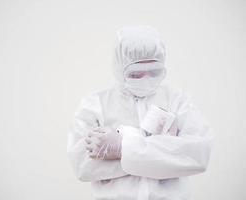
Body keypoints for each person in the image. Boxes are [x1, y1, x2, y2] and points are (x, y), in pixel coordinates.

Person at [67, 25, 213, 200]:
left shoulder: (177, 100)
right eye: (136, 74)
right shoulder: (95, 104)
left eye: (154, 72)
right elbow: (82, 165)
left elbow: (197, 155)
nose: (146, 80)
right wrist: (162, 150)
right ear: (119, 69)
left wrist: (123, 147)